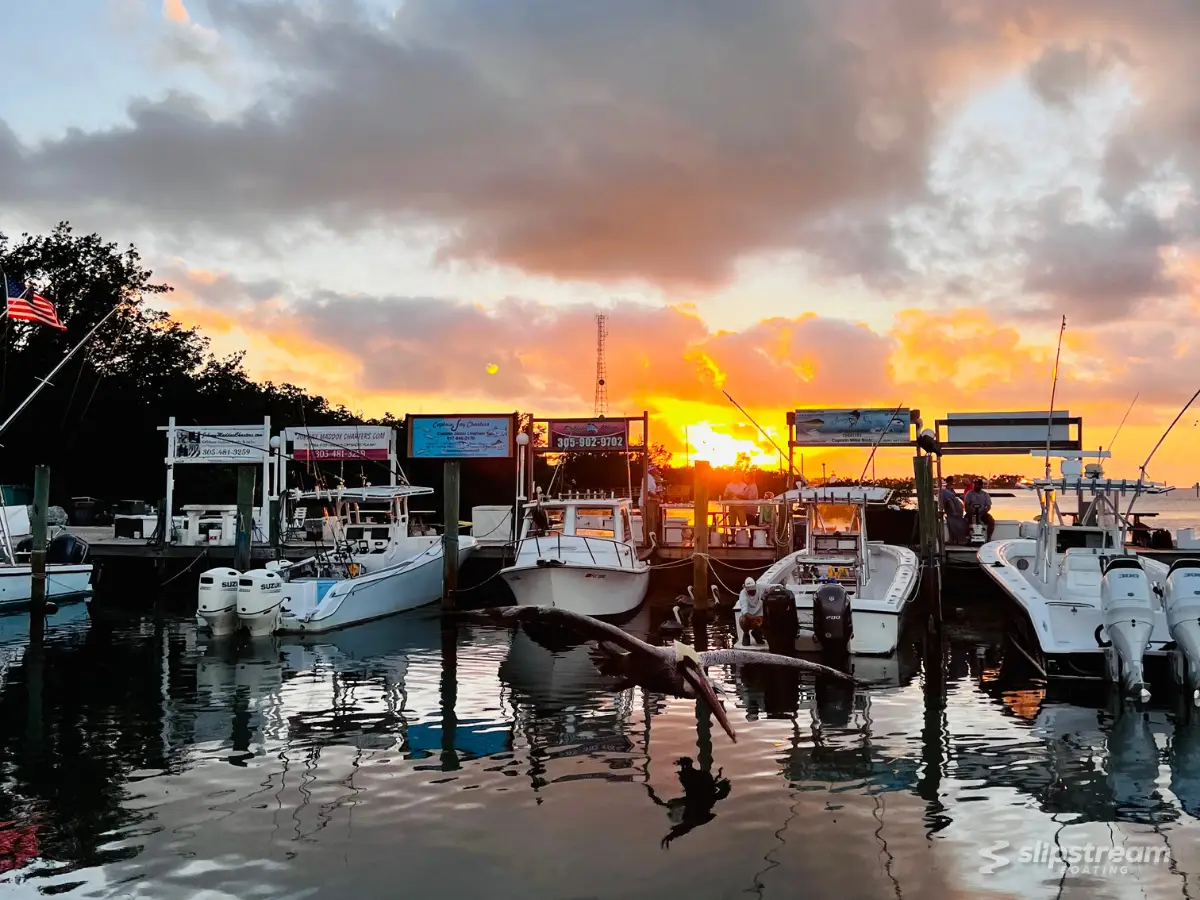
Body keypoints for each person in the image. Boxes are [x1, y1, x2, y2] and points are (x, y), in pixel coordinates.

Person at [735, 576, 764, 646]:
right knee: (743, 620)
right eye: (749, 590)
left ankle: (757, 634)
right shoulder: (743, 594)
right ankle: (746, 634)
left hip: (760, 615)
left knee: (767, 620)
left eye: (753, 590)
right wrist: (755, 618)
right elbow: (745, 611)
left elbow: (772, 586)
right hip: (749, 617)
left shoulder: (760, 587)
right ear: (744, 587)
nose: (752, 592)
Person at [941, 476, 967, 545]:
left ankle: (956, 540)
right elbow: (949, 501)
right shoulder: (945, 490)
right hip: (952, 509)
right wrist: (953, 510)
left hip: (955, 509)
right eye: (953, 480)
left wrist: (954, 510)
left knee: (954, 524)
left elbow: (951, 500)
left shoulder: (950, 490)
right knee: (951, 524)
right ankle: (952, 539)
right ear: (950, 481)